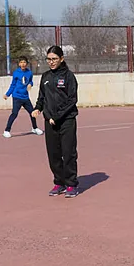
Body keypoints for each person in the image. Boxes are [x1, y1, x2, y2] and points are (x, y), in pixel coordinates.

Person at [32, 45, 80, 197]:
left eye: (54, 59)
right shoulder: (45, 76)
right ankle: (59, 182)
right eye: (49, 59)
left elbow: (72, 100)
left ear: (61, 59)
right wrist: (37, 108)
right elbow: (42, 97)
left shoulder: (68, 76)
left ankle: (71, 184)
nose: (51, 62)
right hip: (49, 121)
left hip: (66, 121)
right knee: (53, 154)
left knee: (68, 153)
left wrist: (57, 117)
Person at [3, 56, 43, 138]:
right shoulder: (16, 73)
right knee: (14, 113)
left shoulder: (29, 72)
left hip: (25, 97)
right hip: (17, 97)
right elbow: (13, 85)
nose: (23, 64)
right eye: (21, 62)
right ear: (19, 64)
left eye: (24, 62)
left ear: (27, 63)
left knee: (32, 113)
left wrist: (30, 84)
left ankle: (34, 128)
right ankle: (6, 130)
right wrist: (7, 94)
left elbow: (31, 81)